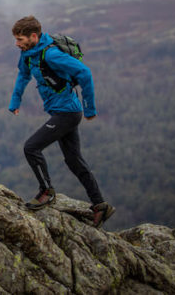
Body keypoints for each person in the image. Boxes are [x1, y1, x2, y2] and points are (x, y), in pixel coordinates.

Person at [8, 15, 115, 228]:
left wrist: (90, 108)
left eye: (20, 39)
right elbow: (23, 75)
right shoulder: (28, 54)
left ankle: (46, 191)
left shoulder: (52, 54)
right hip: (61, 112)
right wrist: (15, 101)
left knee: (31, 147)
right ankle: (100, 205)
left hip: (67, 113)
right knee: (74, 160)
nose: (16, 44)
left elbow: (84, 73)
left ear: (34, 36)